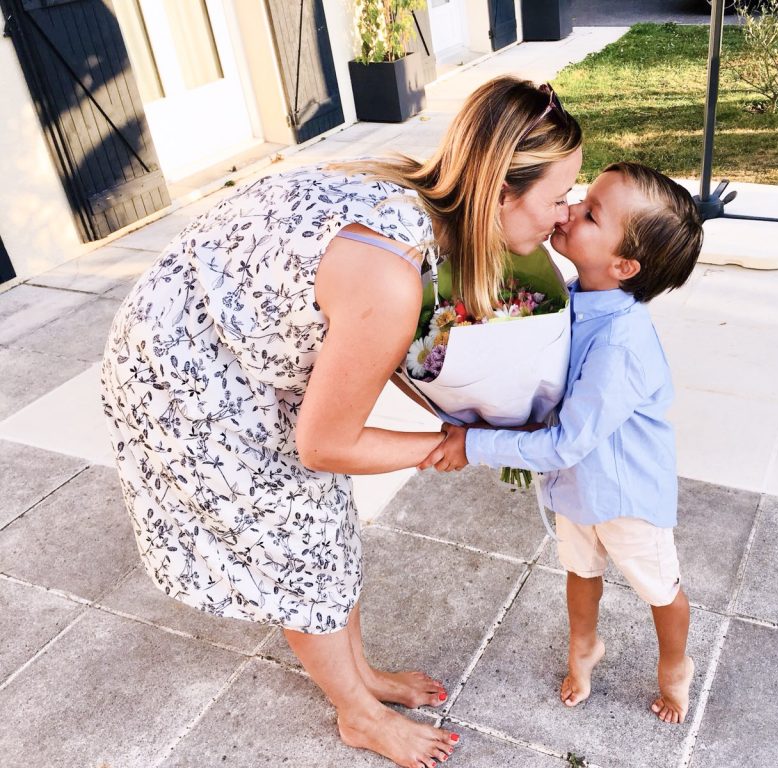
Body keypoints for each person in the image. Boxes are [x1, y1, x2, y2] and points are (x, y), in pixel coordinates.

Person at [99, 76, 582, 768]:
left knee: (324, 520)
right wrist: (447, 447)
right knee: (300, 548)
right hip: (185, 372)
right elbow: (326, 443)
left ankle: (362, 676)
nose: (564, 216)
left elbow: (372, 360)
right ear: (501, 190)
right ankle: (357, 712)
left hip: (220, 332)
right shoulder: (390, 276)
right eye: (558, 195)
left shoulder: (409, 194)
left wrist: (460, 414)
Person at [422, 162, 704, 724]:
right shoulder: (569, 296)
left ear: (623, 265)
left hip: (625, 496)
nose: (569, 208)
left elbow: (565, 443)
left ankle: (675, 667)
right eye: (583, 195)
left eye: (591, 213)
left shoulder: (621, 344)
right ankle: (584, 647)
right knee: (580, 571)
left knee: (658, 588)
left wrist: (474, 443)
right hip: (574, 490)